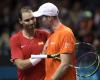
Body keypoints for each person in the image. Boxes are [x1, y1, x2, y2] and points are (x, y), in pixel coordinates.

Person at [33, 2, 76, 80]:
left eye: (41, 17)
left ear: (49, 17)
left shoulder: (66, 33)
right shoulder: (51, 35)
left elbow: (65, 65)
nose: (39, 20)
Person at [10, 6, 49, 80]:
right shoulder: (15, 39)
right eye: (27, 20)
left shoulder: (45, 34)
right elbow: (21, 65)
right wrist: (41, 56)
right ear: (20, 21)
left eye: (32, 18)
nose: (31, 22)